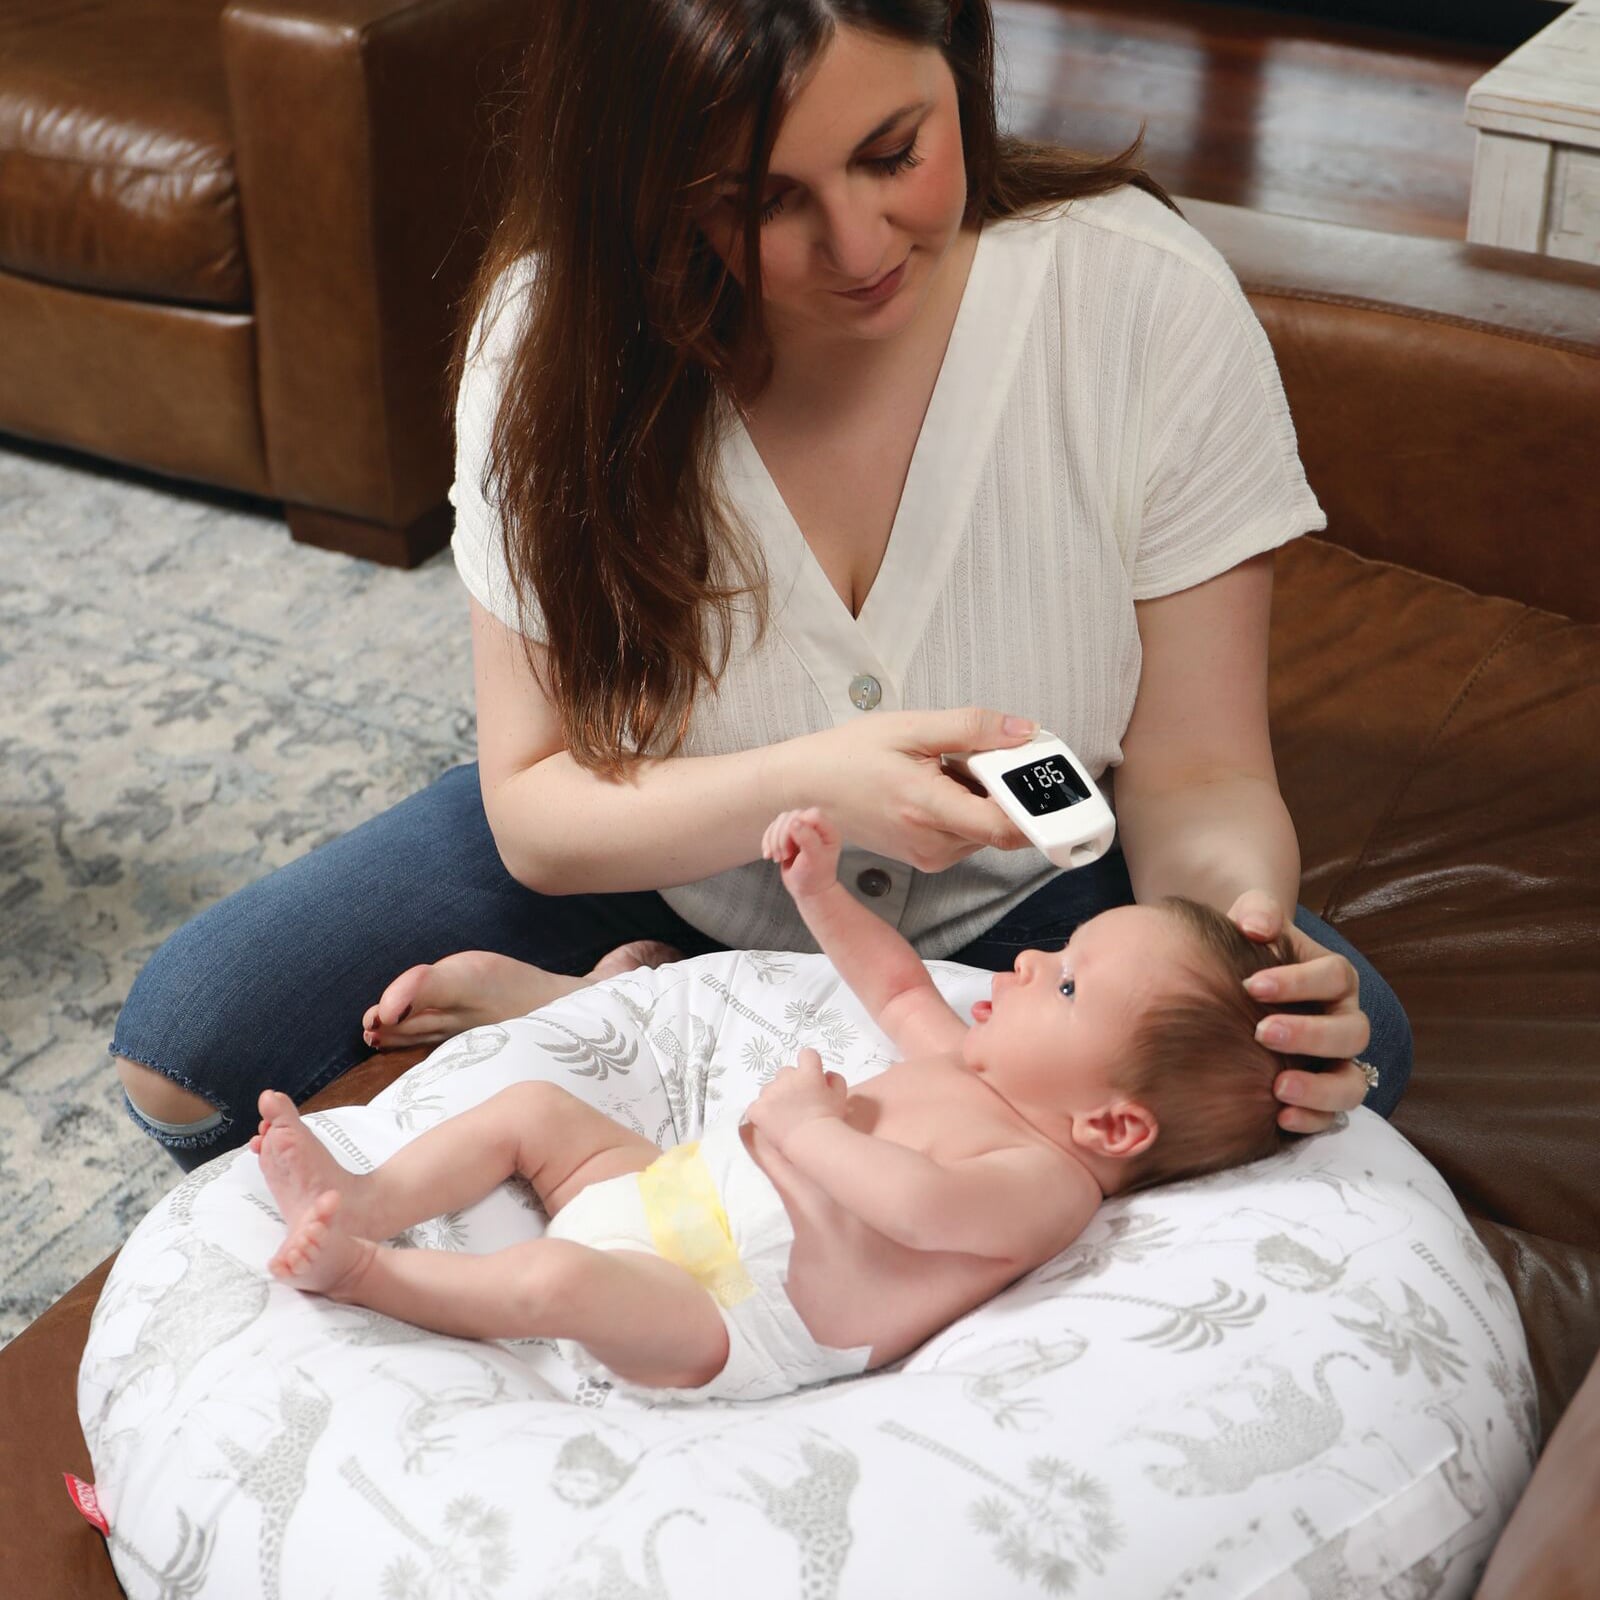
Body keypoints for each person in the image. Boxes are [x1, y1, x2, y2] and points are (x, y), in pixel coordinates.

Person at [113, 0, 1404, 1174]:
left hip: (1040, 902)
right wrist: (811, 790)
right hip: (667, 850)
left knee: (1342, 1066)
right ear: (647, 183)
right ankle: (662, 1001)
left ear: (960, 60)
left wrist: (1241, 936)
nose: (858, 245)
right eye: (760, 197)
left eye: (895, 153)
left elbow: (1201, 771)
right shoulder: (549, 345)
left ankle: (618, 1018)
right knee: (186, 1053)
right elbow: (540, 812)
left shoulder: (1139, 297)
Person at [253, 807, 1317, 1401]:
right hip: (664, 1188)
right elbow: (899, 984)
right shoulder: (973, 1064)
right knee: (534, 1108)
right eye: (1061, 948)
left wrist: (807, 1126)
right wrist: (819, 892)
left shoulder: (1047, 1182)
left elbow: (918, 1211)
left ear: (1113, 1124)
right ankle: (368, 1194)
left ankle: (369, 1271)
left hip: (722, 1313)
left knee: (552, 1277)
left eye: (1071, 983)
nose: (1032, 959)